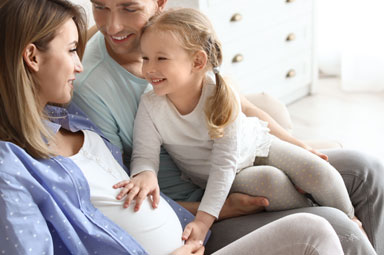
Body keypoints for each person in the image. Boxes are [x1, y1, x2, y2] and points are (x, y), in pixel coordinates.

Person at [0, 0, 345, 254]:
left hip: (191, 232)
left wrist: (215, 211)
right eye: (69, 51)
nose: (79, 66)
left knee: (347, 189)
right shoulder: (4, 172)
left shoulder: (69, 119)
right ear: (32, 56)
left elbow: (130, 201)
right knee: (319, 230)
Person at [73, 0, 384, 254]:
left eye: (129, 7)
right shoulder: (95, 86)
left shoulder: (180, 42)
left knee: (366, 169)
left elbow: (242, 110)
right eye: (99, 6)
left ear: (159, 3)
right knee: (338, 226)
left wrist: (297, 144)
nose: (112, 25)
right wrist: (216, 210)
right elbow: (124, 191)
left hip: (237, 166)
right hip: (195, 211)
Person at [117, 8, 358, 243]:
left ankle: (351, 223)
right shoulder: (151, 105)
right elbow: (145, 154)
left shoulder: (220, 94)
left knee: (317, 171)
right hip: (227, 176)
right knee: (271, 183)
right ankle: (322, 217)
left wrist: (202, 222)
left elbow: (227, 158)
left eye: (161, 58)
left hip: (257, 146)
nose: (149, 69)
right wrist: (145, 174)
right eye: (145, 58)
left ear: (198, 61)